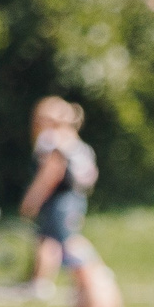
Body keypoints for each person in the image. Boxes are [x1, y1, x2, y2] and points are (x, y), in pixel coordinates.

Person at [18, 97, 97, 292]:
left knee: (67, 240)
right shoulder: (72, 139)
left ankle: (93, 274)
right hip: (74, 196)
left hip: (61, 198)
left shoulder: (50, 140)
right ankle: (40, 282)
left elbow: (51, 172)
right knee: (47, 239)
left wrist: (32, 199)